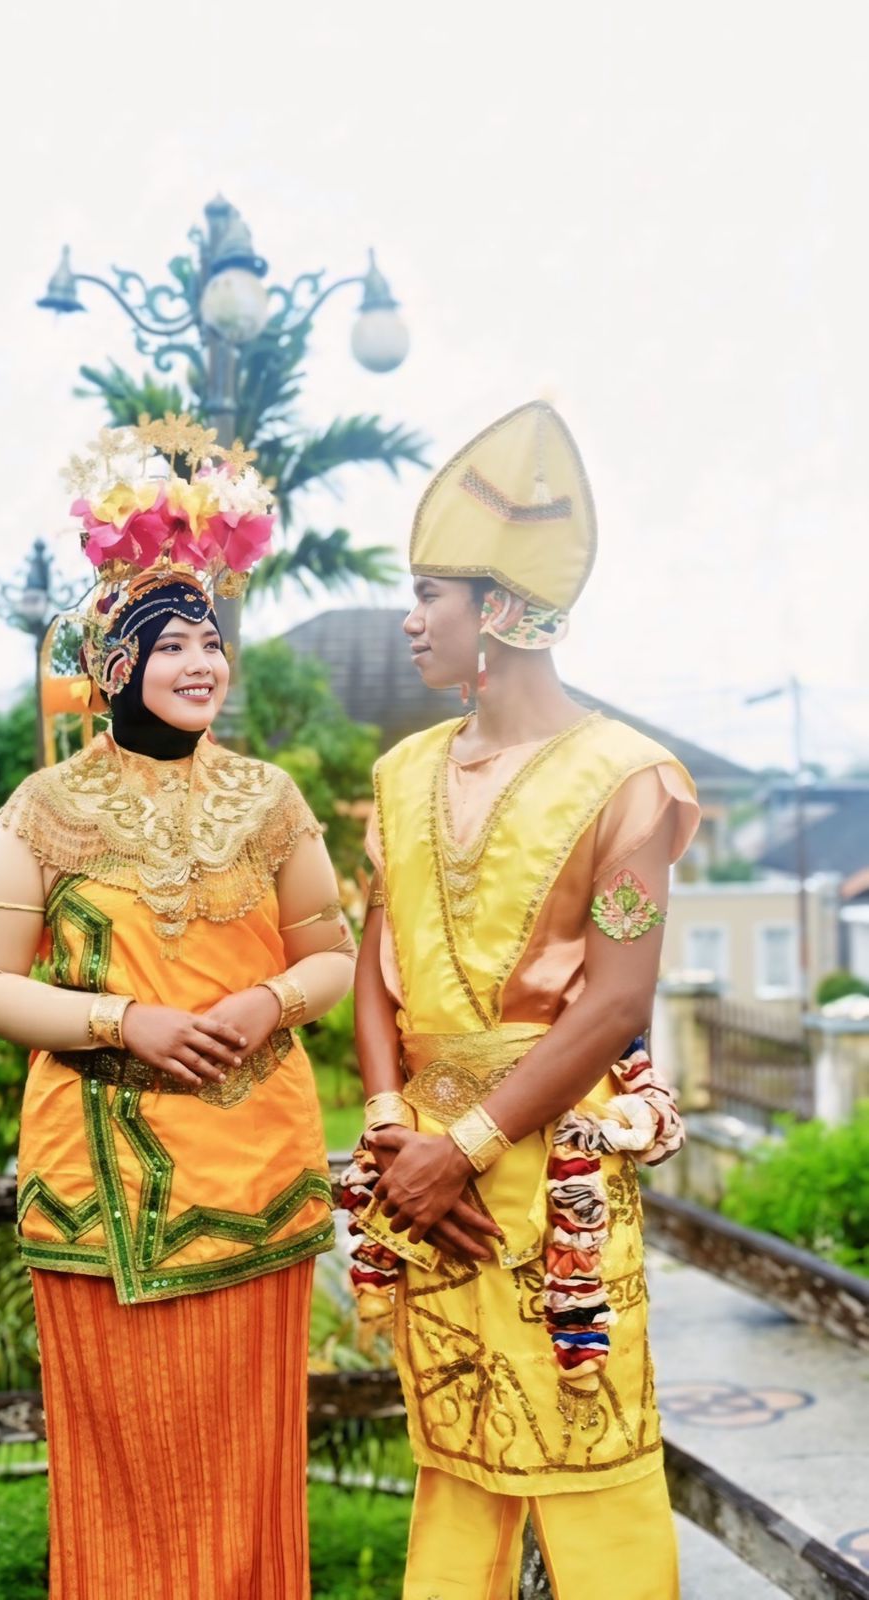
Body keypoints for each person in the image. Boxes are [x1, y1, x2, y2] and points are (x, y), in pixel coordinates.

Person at [0, 415, 355, 1599]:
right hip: (101, 1192)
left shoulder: (269, 797)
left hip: (257, 1171)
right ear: (114, 665)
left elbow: (333, 955)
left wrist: (269, 1001)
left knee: (246, 1463)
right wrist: (122, 1021)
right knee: (125, 1467)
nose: (200, 662)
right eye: (170, 643)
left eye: (210, 642)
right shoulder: (46, 804)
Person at [350, 401, 699, 1599]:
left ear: (497, 609)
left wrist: (463, 1148)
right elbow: (375, 969)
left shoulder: (629, 779)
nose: (410, 620)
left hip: (550, 1174)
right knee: (456, 1460)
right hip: (418, 1172)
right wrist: (395, 1134)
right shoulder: (398, 773)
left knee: (593, 1456)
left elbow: (613, 1005)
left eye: (427, 596)